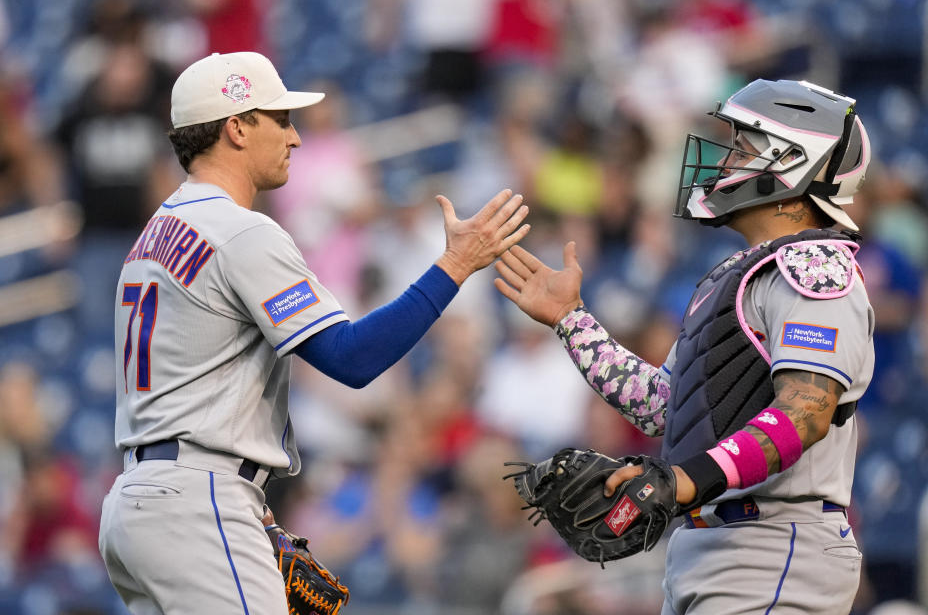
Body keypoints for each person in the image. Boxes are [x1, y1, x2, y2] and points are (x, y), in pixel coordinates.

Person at [97, 51, 529, 614]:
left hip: (138, 503)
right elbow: (352, 359)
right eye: (281, 120)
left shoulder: (154, 234)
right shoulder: (240, 231)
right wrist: (455, 265)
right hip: (198, 503)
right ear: (236, 127)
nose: (296, 138)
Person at [495, 78, 875, 614]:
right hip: (714, 545)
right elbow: (666, 407)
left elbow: (804, 413)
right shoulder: (739, 275)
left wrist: (679, 480)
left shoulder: (816, 269)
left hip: (772, 543)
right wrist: (569, 320)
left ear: (792, 161)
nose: (723, 159)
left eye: (744, 145)